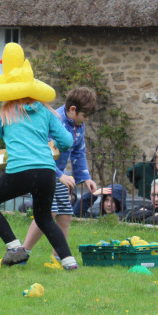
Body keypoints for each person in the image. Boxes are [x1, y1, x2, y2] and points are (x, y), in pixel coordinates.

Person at [0, 43, 77, 269]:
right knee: (44, 217)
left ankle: (14, 246)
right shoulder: (46, 111)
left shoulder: (4, 113)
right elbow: (67, 142)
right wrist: (47, 144)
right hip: (46, 172)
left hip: (21, 172)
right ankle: (69, 261)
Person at [22, 87, 98, 260]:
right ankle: (22, 252)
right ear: (72, 109)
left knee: (65, 215)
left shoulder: (79, 125)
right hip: (42, 172)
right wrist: (59, 175)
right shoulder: (53, 120)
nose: (85, 121)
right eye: (84, 116)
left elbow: (78, 151)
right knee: (48, 213)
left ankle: (58, 258)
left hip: (59, 176)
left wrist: (85, 177)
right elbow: (42, 151)